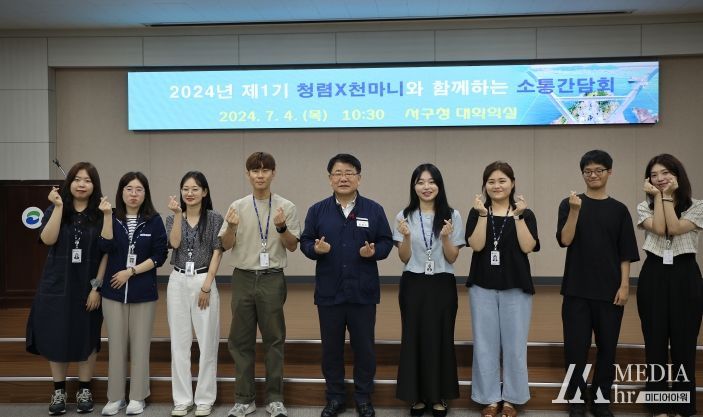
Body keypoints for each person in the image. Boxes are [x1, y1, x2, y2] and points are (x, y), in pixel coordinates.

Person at [300, 153, 393, 417]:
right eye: (338, 173)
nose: (343, 178)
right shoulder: (317, 210)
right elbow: (305, 241)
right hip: (329, 292)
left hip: (363, 292)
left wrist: (373, 252)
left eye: (349, 173)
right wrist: (315, 249)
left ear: (359, 178)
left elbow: (386, 242)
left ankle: (363, 398)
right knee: (331, 350)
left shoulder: (373, 210)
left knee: (365, 349)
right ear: (330, 179)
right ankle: (335, 397)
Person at [556, 150, 639, 417]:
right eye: (588, 171)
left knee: (607, 349)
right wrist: (575, 211)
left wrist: (625, 285)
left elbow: (626, 252)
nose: (593, 175)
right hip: (576, 290)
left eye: (598, 170)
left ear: (609, 172)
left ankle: (601, 399)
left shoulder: (619, 210)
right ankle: (577, 399)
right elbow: (565, 240)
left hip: (609, 291)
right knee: (575, 349)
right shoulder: (570, 204)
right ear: (582, 174)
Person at [218, 152, 301, 417]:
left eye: (265, 170)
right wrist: (231, 227)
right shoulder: (237, 206)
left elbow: (293, 246)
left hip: (272, 277)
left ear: (274, 173)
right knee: (240, 340)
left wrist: (281, 227)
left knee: (274, 339)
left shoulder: (286, 207)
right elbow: (225, 244)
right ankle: (244, 399)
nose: (260, 175)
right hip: (243, 277)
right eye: (255, 170)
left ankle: (275, 398)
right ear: (248, 174)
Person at [26, 162, 109, 415]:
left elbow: (106, 251)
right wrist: (59, 207)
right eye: (77, 179)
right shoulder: (55, 208)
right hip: (57, 283)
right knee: (57, 334)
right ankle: (59, 391)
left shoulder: (101, 213)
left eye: (87, 180)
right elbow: (47, 239)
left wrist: (96, 287)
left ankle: (85, 389)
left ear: (94, 185)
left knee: (88, 335)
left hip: (88, 284)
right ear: (69, 183)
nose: (81, 184)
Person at [465, 161, 539, 417]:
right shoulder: (477, 212)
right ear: (485, 185)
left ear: (512, 183)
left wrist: (518, 216)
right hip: (482, 286)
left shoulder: (525, 213)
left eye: (502, 181)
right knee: (484, 344)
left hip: (516, 286)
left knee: (515, 345)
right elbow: (476, 245)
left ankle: (512, 399)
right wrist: (482, 216)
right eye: (491, 181)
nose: (496, 186)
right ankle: (488, 398)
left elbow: (528, 246)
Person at [394, 164, 464, 417]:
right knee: (413, 338)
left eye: (431, 182)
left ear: (439, 185)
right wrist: (405, 237)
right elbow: (404, 258)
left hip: (442, 282)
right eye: (421, 182)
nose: (426, 187)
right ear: (414, 186)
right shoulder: (403, 215)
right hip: (413, 282)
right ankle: (416, 396)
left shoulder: (452, 215)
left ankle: (438, 396)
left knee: (441, 338)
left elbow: (452, 257)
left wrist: (445, 237)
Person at [636, 154, 703, 417]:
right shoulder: (644, 207)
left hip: (685, 275)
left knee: (684, 345)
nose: (660, 178)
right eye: (654, 175)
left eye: (665, 173)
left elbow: (673, 228)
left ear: (677, 175)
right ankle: (659, 407)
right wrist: (660, 198)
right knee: (655, 344)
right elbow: (660, 227)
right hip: (653, 274)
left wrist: (664, 197)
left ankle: (684, 407)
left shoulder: (696, 206)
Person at [98, 172, 168, 416]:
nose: (134, 194)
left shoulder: (154, 220)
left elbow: (160, 256)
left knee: (140, 347)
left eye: (139, 189)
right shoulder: (111, 216)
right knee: (116, 347)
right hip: (113, 292)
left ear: (145, 193)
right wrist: (106, 216)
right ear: (121, 191)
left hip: (143, 292)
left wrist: (131, 271)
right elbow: (104, 246)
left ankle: (138, 397)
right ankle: (115, 397)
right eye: (129, 189)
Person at [165, 171, 224, 417]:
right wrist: (178, 215)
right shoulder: (172, 218)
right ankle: (182, 399)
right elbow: (175, 244)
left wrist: (207, 286)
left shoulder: (214, 218)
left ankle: (204, 399)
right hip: (178, 280)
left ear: (205, 191)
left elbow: (218, 251)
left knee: (207, 342)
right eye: (185, 189)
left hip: (203, 279)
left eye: (195, 189)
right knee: (179, 344)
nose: (189, 193)